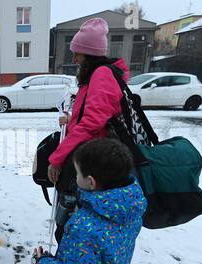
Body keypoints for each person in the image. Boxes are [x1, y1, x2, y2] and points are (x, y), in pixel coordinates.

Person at [47, 17, 130, 243]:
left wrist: (57, 158)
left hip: (91, 160)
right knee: (69, 219)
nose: (74, 58)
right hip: (90, 153)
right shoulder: (96, 75)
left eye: (77, 53)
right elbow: (94, 116)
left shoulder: (101, 75)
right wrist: (71, 118)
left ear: (90, 54)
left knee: (70, 221)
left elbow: (93, 124)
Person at [36, 138, 147, 264]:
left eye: (77, 173)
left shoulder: (84, 228)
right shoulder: (131, 208)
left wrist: (43, 261)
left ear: (91, 182)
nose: (75, 178)